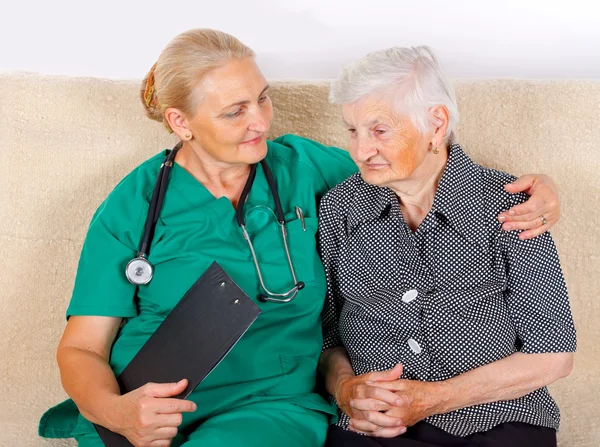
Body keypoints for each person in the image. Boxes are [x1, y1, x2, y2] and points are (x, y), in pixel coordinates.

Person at [38, 30, 561, 447]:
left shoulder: (304, 168)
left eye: (262, 99)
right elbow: (82, 347)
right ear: (181, 122)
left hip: (270, 403)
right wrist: (117, 412)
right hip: (149, 403)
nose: (260, 122)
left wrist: (539, 189)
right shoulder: (133, 205)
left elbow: (416, 166)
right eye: (234, 111)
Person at [318, 46, 575, 447]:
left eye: (379, 130)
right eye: (352, 130)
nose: (360, 150)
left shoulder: (509, 207)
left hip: (496, 421)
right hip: (374, 427)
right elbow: (328, 340)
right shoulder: (339, 209)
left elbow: (553, 355)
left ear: (436, 125)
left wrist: (435, 399)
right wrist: (347, 390)